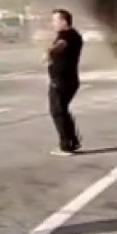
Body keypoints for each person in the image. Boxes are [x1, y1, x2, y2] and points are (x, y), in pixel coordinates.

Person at [45, 8, 84, 156]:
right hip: (67, 80)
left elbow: (60, 45)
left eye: (55, 20)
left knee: (58, 112)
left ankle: (66, 145)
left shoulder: (67, 36)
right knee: (62, 111)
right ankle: (72, 141)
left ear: (63, 21)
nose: (53, 23)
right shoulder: (74, 35)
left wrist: (49, 51)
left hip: (62, 81)